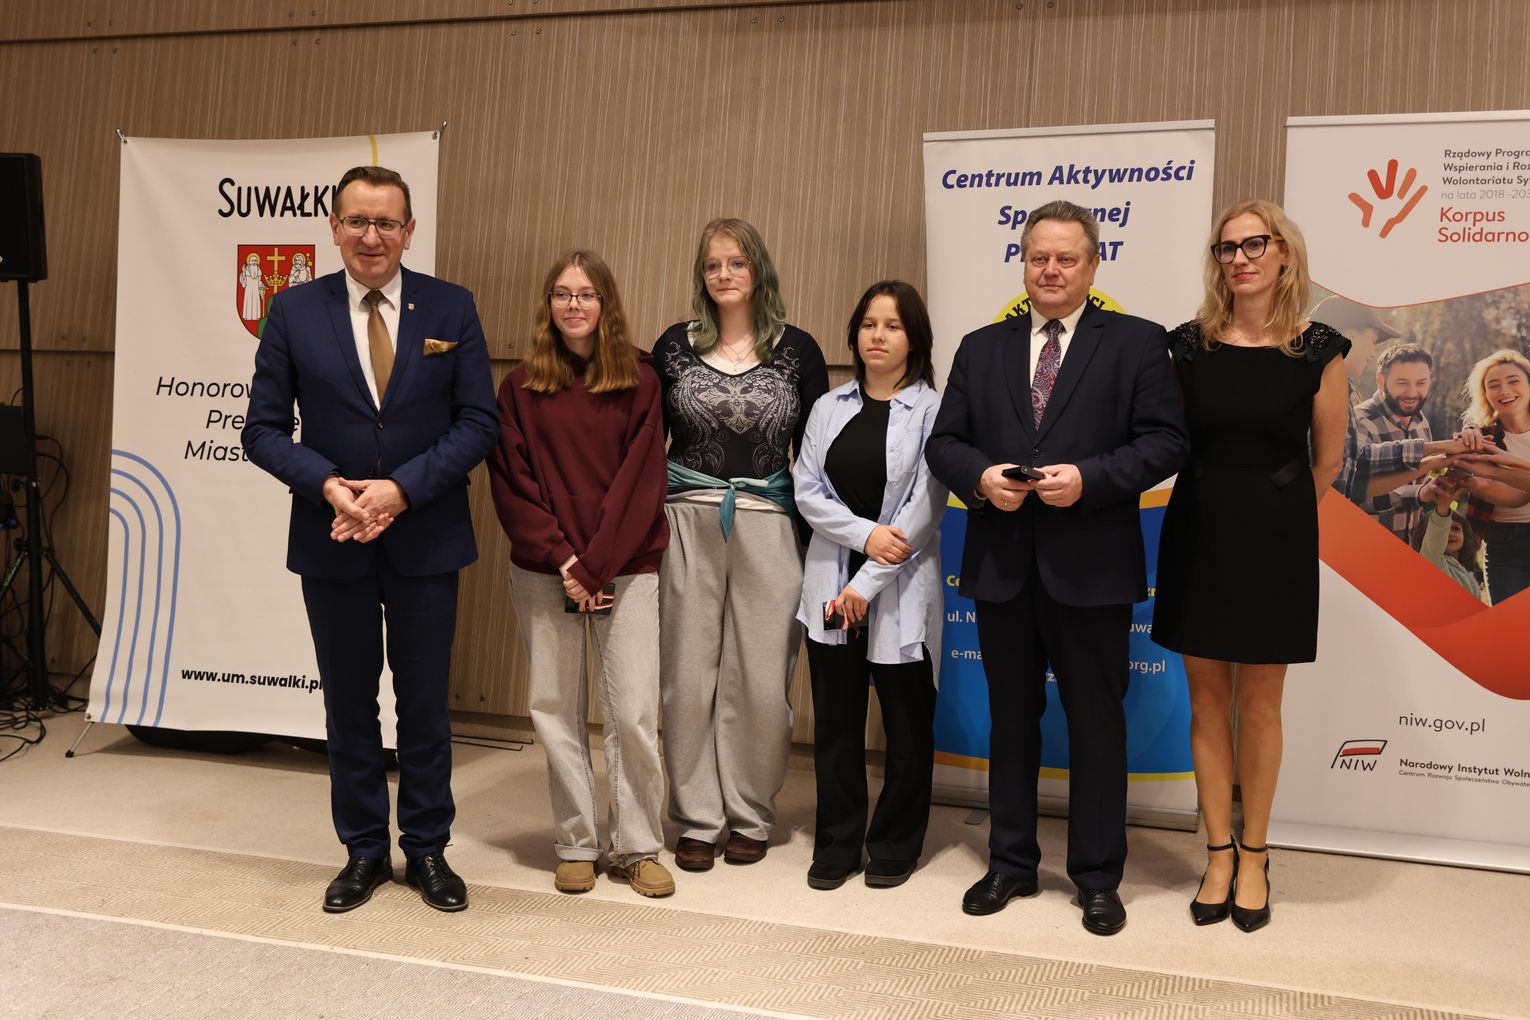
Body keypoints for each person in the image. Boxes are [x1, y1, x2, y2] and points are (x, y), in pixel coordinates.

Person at [924, 200, 1188, 936]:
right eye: (1038, 257)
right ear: (1024, 263)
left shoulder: (1137, 342)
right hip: (1002, 565)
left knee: (1098, 725)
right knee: (1012, 721)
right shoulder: (981, 346)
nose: (1050, 270)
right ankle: (1010, 862)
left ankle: (1098, 877)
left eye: (1066, 258)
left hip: (1092, 566)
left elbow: (1165, 442)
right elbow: (944, 443)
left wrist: (1090, 479)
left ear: (1093, 265)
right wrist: (982, 479)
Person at [242, 165, 497, 914]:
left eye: (386, 222)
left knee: (425, 705)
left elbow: (478, 422)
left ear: (409, 231)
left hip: (427, 536)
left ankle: (427, 848)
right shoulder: (293, 310)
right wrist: (329, 484)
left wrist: (400, 490)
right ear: (334, 227)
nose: (371, 236)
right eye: (357, 220)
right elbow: (262, 430)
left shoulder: (452, 305)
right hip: (333, 535)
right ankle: (362, 849)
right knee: (348, 704)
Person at [1150, 200, 1350, 933]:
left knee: (1261, 704)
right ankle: (1217, 853)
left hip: (1276, 541)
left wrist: (1276, 513)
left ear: (1283, 253)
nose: (1239, 258)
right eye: (1226, 248)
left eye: (1254, 245)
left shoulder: (1320, 348)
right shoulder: (1187, 345)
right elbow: (1169, 439)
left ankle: (1257, 855)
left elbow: (1328, 462)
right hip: (1199, 530)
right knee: (1207, 701)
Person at [489, 251, 674, 899]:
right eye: (562, 294)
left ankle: (638, 846)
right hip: (547, 572)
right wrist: (567, 561)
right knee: (554, 710)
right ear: (548, 304)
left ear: (606, 304)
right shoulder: (519, 388)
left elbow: (642, 482)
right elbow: (512, 484)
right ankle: (575, 841)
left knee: (633, 712)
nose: (574, 304)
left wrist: (596, 564)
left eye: (587, 294)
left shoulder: (641, 380)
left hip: (626, 569)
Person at [654, 217, 830, 871]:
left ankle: (751, 813)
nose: (723, 274)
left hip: (770, 521)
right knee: (686, 676)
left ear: (759, 270)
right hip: (685, 520)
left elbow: (817, 455)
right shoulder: (673, 346)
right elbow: (644, 443)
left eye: (736, 262)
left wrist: (821, 546)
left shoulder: (799, 350)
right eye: (712, 264)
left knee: (761, 679)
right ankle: (698, 819)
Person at [793, 281, 947, 891]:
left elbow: (924, 508)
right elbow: (808, 491)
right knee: (836, 721)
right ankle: (837, 842)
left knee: (908, 725)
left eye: (893, 325)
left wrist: (866, 582)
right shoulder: (828, 406)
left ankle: (894, 844)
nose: (878, 336)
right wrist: (864, 538)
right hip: (832, 580)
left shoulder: (933, 410)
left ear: (915, 339)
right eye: (868, 324)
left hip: (899, 583)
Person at [1449, 349, 1530, 603]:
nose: (1504, 391)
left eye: (1513, 381)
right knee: (1510, 625)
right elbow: (1516, 498)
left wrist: (1501, 468)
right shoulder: (1482, 437)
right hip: (1504, 547)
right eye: (1493, 385)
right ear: (1485, 394)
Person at [1354, 343, 1435, 543]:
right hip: (1366, 546)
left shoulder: (1421, 421)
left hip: (1410, 547)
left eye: (1421, 383)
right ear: (1381, 381)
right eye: (1402, 383)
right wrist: (1418, 495)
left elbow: (1417, 481)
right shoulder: (1359, 421)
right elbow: (1354, 495)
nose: (1412, 392)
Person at [1410, 471, 1483, 597]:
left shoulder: (1468, 574)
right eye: (1444, 529)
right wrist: (1443, 506)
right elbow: (1435, 540)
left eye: (1455, 528)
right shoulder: (1432, 559)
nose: (1449, 533)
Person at [240, 252, 266, 321]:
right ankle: (247, 316)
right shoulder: (246, 269)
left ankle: (256, 316)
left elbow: (259, 279)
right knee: (248, 300)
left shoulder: (258, 269)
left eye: (255, 260)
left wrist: (261, 285)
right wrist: (243, 272)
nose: (254, 262)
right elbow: (243, 279)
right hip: (249, 288)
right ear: (249, 261)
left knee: (255, 301)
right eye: (252, 260)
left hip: (255, 288)